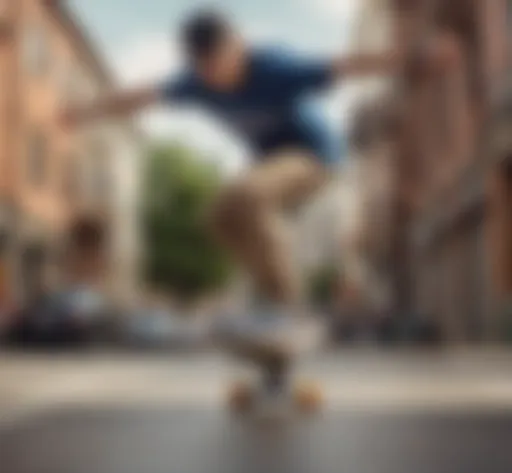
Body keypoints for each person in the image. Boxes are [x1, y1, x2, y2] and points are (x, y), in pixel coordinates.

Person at [61, 10, 456, 347]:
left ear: (237, 46)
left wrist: (415, 55)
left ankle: (288, 307)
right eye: (206, 70)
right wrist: (85, 113)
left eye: (222, 64)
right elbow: (140, 96)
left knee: (246, 194)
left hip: (314, 159)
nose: (217, 77)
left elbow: (346, 64)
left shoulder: (274, 67)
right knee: (218, 216)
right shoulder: (194, 84)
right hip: (269, 166)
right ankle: (268, 296)